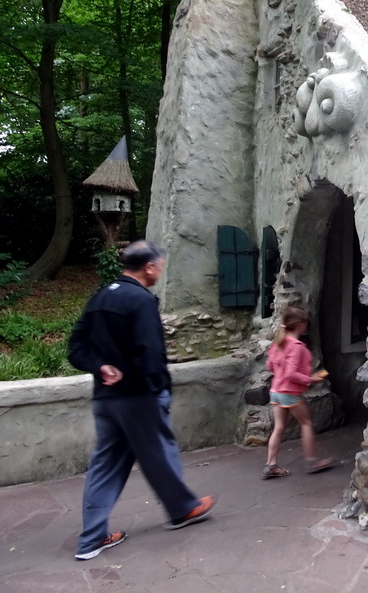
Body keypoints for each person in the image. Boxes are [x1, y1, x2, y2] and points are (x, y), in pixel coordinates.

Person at [67, 240, 216, 561]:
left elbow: (75, 347)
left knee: (105, 466)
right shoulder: (141, 301)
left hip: (106, 400)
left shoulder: (100, 297)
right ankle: (183, 509)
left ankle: (91, 540)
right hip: (138, 398)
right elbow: (150, 352)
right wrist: (159, 391)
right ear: (149, 266)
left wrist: (99, 366)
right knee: (160, 453)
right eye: (160, 264)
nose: (160, 270)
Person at [262, 306, 333, 478]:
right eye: (306, 322)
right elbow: (291, 374)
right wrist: (312, 379)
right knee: (306, 423)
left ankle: (271, 465)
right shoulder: (297, 347)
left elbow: (270, 365)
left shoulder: (279, 343)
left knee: (279, 427)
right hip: (289, 393)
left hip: (276, 390)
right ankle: (311, 461)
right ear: (300, 324)